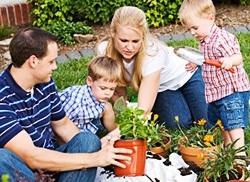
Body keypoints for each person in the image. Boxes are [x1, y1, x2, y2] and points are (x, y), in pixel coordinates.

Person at [0, 27, 132, 182]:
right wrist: (94, 159)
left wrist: (97, 148)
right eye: (51, 61)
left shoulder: (45, 84)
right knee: (2, 158)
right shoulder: (2, 98)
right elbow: (31, 156)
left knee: (88, 139)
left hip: (51, 163)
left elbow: (63, 125)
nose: (55, 67)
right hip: (23, 170)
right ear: (33, 61)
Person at [95, 6, 208, 129]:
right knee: (179, 124)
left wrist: (121, 133)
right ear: (113, 33)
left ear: (143, 36)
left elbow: (143, 110)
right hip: (163, 88)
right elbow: (117, 90)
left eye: (135, 41)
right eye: (124, 40)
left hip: (187, 74)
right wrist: (123, 117)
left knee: (208, 121)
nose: (129, 47)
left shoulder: (153, 53)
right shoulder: (105, 50)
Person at [179, 0, 250, 163]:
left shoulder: (222, 39)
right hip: (217, 91)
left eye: (194, 28)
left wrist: (230, 61)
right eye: (189, 29)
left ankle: (239, 155)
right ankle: (227, 149)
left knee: (233, 122)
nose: (192, 32)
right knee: (222, 122)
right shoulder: (205, 40)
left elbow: (238, 56)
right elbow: (207, 58)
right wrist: (197, 61)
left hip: (232, 91)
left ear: (210, 19)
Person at [59, 56, 120, 135]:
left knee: (107, 106)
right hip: (66, 130)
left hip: (85, 122)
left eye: (112, 89)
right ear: (90, 81)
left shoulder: (99, 97)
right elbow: (60, 124)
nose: (108, 93)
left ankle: (115, 134)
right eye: (103, 88)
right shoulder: (76, 101)